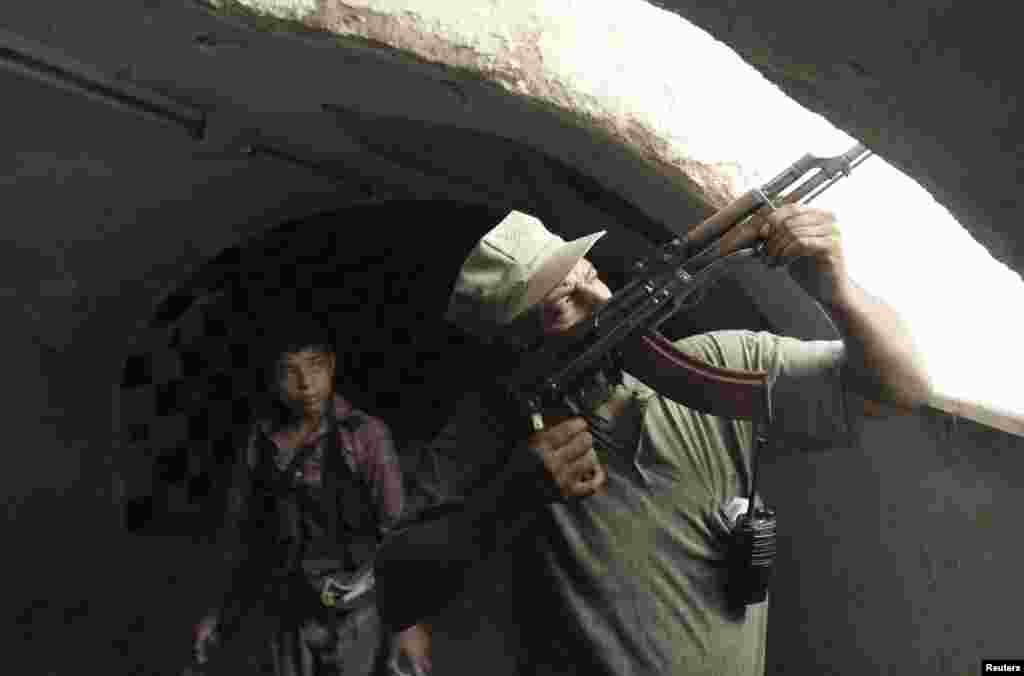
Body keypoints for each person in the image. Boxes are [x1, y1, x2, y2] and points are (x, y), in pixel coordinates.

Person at [374, 209, 932, 675]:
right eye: (555, 306)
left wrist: (838, 292)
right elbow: (398, 589)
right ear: (513, 348)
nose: (597, 302)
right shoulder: (493, 424)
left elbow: (901, 389)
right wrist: (506, 497)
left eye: (586, 276)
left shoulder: (718, 366)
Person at [187, 314, 432, 675]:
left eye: (315, 366)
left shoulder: (365, 435)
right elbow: (240, 537)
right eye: (290, 371)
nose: (305, 383)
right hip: (290, 614)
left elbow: (399, 535)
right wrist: (215, 614)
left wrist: (408, 626)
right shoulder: (262, 441)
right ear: (273, 377)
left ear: (331, 365)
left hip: (359, 615)